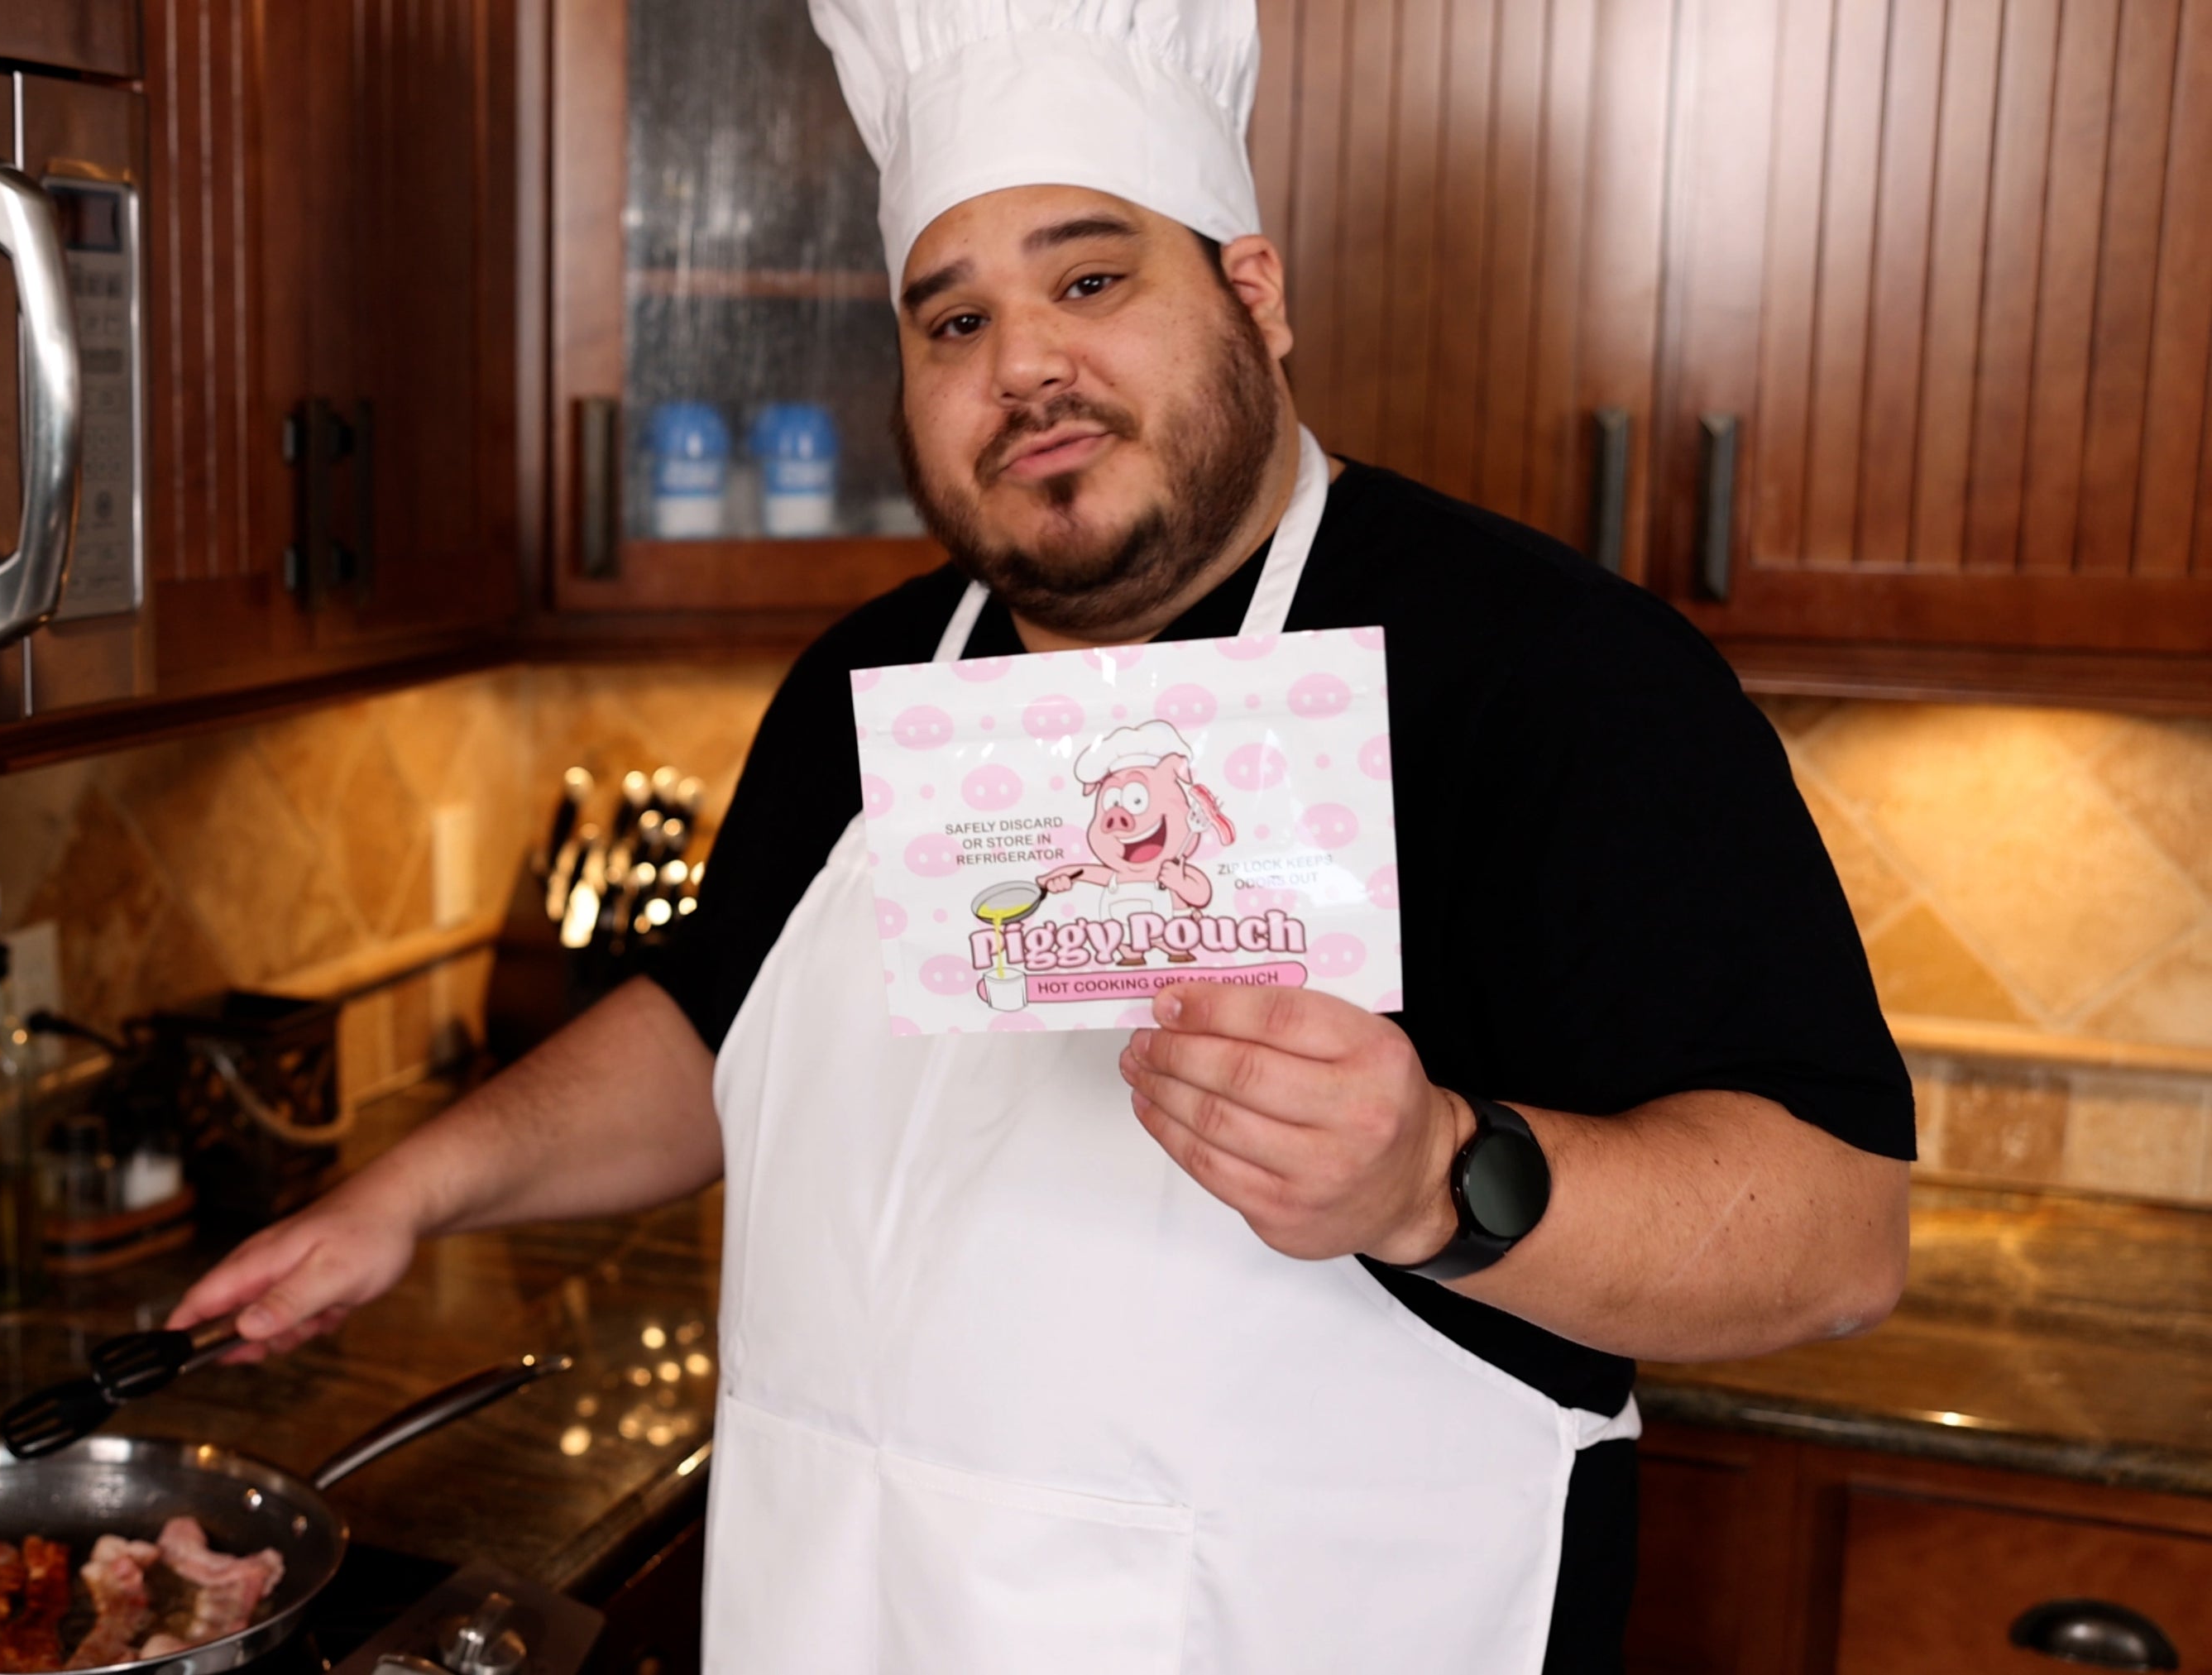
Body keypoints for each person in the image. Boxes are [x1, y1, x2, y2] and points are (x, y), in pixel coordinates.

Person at [171, 2, 1913, 1668]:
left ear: (1256, 291)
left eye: (1092, 278)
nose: (1026, 366)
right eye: (952, 321)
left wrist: (1429, 1175)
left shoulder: (1547, 674)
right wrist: (410, 1192)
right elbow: (722, 1026)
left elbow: (1833, 1234)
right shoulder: (868, 677)